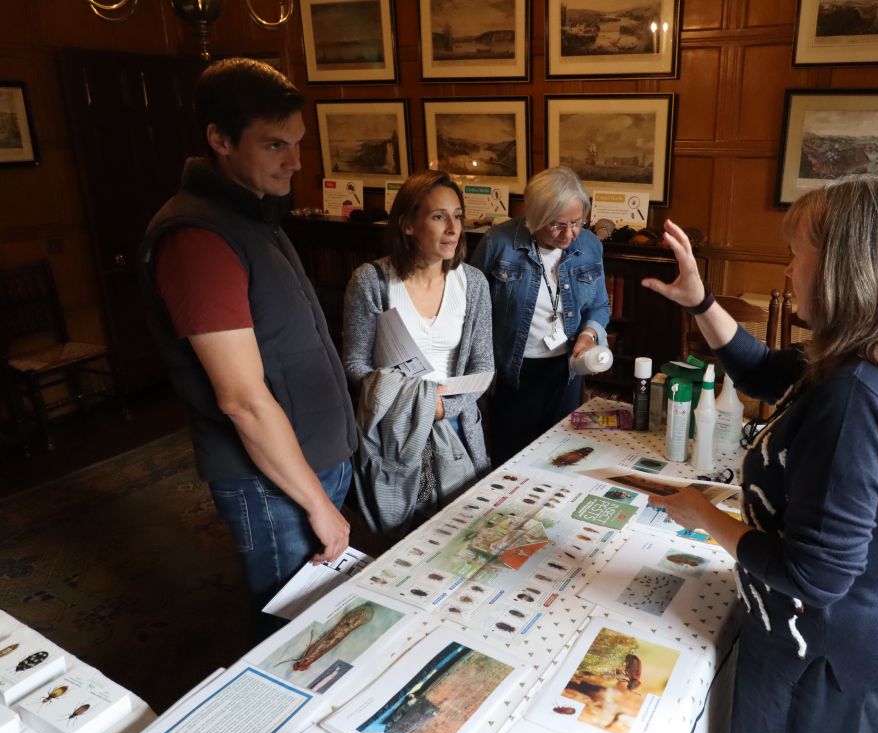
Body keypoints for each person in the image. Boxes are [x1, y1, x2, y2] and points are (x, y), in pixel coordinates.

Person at [641, 174, 878, 733]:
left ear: (847, 269)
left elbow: (814, 576)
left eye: (797, 256)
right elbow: (766, 371)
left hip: (829, 659)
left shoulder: (856, 398)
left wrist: (703, 515)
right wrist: (700, 301)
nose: (788, 271)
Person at [137, 58, 356, 638]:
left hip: (306, 464)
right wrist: (317, 502)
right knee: (290, 633)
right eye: (275, 144)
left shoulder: (251, 211)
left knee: (324, 621)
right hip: (272, 482)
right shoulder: (197, 238)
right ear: (219, 139)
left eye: (298, 144)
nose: (295, 162)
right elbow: (241, 399)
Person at [342, 170, 493, 538]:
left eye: (458, 216)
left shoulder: (472, 283)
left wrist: (444, 408)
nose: (453, 228)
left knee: (461, 530)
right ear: (408, 224)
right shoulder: (372, 281)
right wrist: (408, 402)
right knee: (401, 532)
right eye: (438, 217)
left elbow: (484, 367)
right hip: (394, 428)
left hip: (455, 425)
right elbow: (353, 363)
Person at [471, 166, 611, 465]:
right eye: (557, 225)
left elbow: (599, 305)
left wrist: (588, 335)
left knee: (560, 457)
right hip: (512, 373)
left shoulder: (589, 246)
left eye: (576, 222)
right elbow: (471, 308)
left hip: (567, 370)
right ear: (534, 218)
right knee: (511, 459)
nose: (569, 234)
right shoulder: (499, 243)